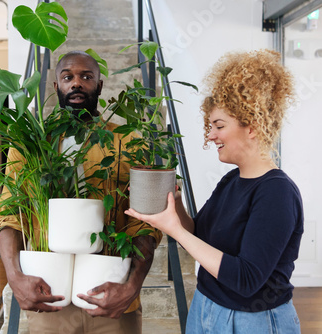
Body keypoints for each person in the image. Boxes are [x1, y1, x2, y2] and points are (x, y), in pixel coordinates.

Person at [126, 49, 303, 333]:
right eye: (211, 126)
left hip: (252, 322)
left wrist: (175, 230)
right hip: (206, 308)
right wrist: (176, 206)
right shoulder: (231, 181)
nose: (210, 135)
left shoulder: (277, 193)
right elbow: (197, 237)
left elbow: (246, 279)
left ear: (253, 126)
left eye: (219, 126)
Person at [0, 51, 163, 333]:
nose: (76, 83)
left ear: (99, 86)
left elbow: (144, 220)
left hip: (112, 296)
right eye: (67, 77)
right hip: (49, 296)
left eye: (86, 77)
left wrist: (132, 286)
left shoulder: (127, 141)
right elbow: (10, 214)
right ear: (56, 86)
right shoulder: (32, 143)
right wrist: (14, 277)